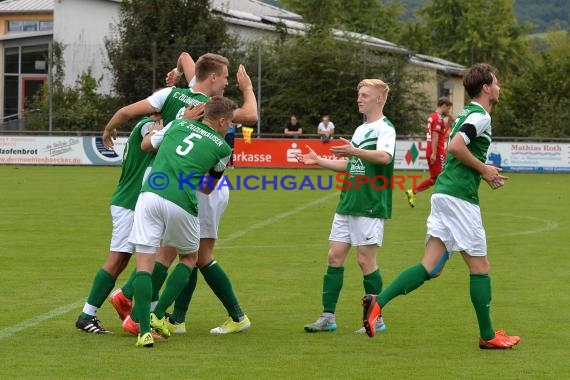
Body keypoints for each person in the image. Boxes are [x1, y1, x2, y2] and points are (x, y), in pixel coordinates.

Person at [362, 64, 520, 350]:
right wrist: (484, 170)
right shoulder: (480, 115)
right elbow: (458, 147)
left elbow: (457, 151)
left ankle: (377, 302)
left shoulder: (466, 114)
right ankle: (487, 335)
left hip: (445, 194)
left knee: (431, 266)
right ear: (486, 87)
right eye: (495, 83)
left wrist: (483, 172)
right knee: (480, 266)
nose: (498, 87)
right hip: (458, 198)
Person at [111, 52, 254, 336]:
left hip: (177, 183)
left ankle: (150, 308)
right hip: (195, 186)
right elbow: (251, 115)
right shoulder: (207, 106)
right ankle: (165, 315)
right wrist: (247, 88)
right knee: (187, 254)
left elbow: (187, 58)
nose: (227, 83)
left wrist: (177, 73)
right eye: (225, 77)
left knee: (184, 253)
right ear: (212, 77)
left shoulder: (177, 97)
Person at [128, 95, 236, 347]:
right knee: (189, 258)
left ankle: (143, 332)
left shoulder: (177, 125)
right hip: (181, 201)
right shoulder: (222, 148)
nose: (230, 127)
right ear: (220, 121)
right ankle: (158, 315)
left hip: (149, 194)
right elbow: (208, 189)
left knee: (145, 263)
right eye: (229, 122)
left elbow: (146, 145)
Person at [297, 79, 395, 334]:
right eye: (359, 94)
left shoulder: (385, 129)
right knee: (334, 256)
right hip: (348, 201)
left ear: (378, 99)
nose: (359, 99)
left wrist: (355, 151)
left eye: (365, 95)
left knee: (365, 260)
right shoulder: (361, 129)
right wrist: (318, 160)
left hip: (370, 203)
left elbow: (384, 157)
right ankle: (328, 317)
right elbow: (351, 165)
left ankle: (377, 318)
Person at [74, 113, 163, 334]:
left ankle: (145, 311)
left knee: (156, 253)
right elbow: (151, 140)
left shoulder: (154, 124)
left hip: (137, 202)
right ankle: (87, 315)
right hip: (130, 202)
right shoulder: (148, 125)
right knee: (119, 259)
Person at [405, 97, 453, 207]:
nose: (448, 111)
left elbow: (440, 134)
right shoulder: (438, 118)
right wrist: (434, 153)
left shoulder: (432, 117)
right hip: (437, 151)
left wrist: (448, 125)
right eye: (448, 108)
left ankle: (413, 192)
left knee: (434, 179)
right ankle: (442, 203)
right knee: (443, 177)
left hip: (431, 149)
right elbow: (435, 136)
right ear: (444, 106)